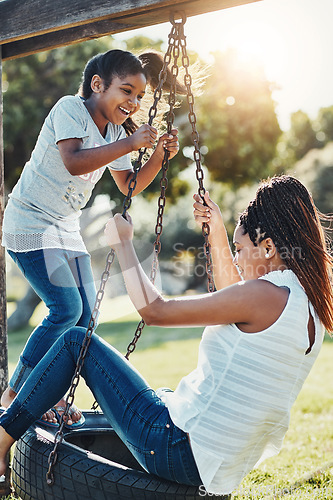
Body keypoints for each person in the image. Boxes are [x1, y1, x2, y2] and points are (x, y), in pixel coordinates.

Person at [0, 175, 332, 495]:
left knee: (77, 340)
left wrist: (124, 244)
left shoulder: (263, 295)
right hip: (214, 466)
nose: (237, 260)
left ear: (269, 247)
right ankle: (47, 403)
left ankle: (2, 437)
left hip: (177, 449)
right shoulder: (307, 304)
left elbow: (154, 310)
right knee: (161, 394)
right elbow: (237, 295)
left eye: (240, 249)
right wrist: (217, 230)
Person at [1, 49, 182, 426]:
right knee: (66, 308)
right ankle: (17, 391)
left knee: (86, 316)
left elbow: (128, 186)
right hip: (30, 221)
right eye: (126, 91)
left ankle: (47, 395)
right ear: (98, 85)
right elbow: (73, 160)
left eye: (138, 96)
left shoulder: (115, 133)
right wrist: (132, 145)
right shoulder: (70, 108)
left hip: (65, 228)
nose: (133, 103)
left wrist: (159, 157)